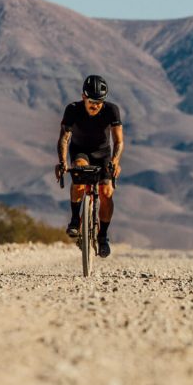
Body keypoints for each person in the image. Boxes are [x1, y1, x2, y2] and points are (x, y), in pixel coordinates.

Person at [54, 75, 124, 257]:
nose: (96, 106)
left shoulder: (112, 110)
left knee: (106, 192)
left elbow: (118, 141)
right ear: (84, 97)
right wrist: (62, 162)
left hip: (103, 154)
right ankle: (75, 220)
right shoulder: (73, 109)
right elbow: (64, 138)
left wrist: (115, 162)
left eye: (100, 102)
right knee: (79, 174)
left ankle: (102, 237)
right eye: (92, 101)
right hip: (80, 152)